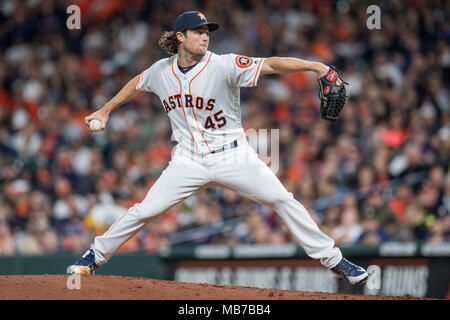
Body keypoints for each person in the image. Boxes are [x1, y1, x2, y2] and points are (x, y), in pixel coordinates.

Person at [67, 11, 368, 285]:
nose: (205, 36)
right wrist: (105, 110)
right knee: (144, 210)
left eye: (207, 31)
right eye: (198, 31)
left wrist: (315, 66)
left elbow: (272, 64)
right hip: (187, 159)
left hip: (234, 155)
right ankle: (93, 257)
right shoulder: (161, 71)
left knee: (282, 200)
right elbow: (137, 83)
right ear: (180, 37)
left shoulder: (224, 64)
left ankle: (335, 260)